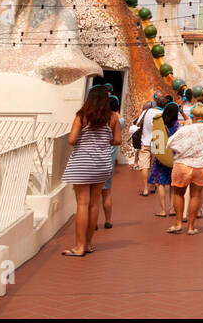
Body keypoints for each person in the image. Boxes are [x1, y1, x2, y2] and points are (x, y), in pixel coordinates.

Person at [60, 85, 122, 257]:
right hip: (102, 164)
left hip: (82, 163)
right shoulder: (112, 117)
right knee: (94, 204)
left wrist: (84, 139)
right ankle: (87, 244)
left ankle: (79, 246)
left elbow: (71, 140)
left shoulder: (82, 116)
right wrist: (103, 143)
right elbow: (117, 140)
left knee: (82, 204)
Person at [167, 103, 203, 235]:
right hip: (201, 167)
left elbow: (170, 142)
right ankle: (190, 227)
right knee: (196, 195)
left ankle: (178, 223)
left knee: (178, 193)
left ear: (193, 115)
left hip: (183, 165)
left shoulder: (186, 128)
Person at [148, 101, 179, 219]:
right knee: (172, 184)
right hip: (173, 157)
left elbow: (156, 140)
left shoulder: (158, 122)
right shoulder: (176, 125)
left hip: (161, 156)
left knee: (160, 183)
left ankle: (162, 210)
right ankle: (172, 208)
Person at [99, 93, 123, 230]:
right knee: (107, 192)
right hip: (109, 161)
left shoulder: (100, 120)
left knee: (93, 196)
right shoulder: (119, 121)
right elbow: (118, 139)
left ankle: (94, 221)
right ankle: (108, 220)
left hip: (97, 159)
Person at [137, 93, 164, 196]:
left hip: (145, 141)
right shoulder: (163, 113)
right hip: (158, 142)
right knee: (154, 165)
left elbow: (137, 124)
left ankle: (145, 189)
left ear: (155, 102)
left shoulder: (146, 112)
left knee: (144, 166)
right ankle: (153, 186)